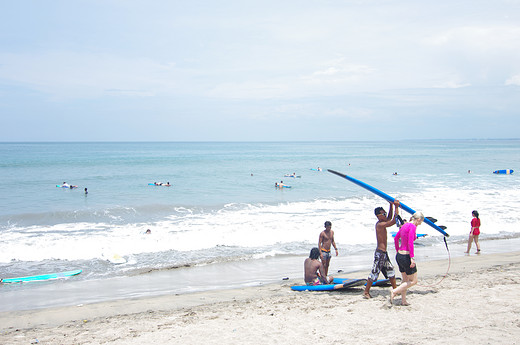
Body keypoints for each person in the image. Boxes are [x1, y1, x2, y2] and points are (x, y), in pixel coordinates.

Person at [363, 201, 400, 299]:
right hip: (380, 253)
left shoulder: (383, 222)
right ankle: (366, 292)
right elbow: (393, 221)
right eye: (383, 214)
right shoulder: (380, 224)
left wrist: (391, 206)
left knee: (391, 271)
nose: (385, 215)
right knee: (375, 272)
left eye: (385, 213)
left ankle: (395, 289)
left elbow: (390, 217)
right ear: (378, 216)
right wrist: (396, 207)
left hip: (384, 253)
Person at [390, 212, 424, 306]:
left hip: (399, 255)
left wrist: (397, 251)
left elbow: (396, 239)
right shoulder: (412, 227)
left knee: (405, 280)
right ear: (418, 220)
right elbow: (410, 242)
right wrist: (412, 257)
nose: (419, 224)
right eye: (420, 222)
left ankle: (403, 301)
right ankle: (395, 291)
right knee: (413, 281)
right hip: (406, 256)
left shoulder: (404, 226)